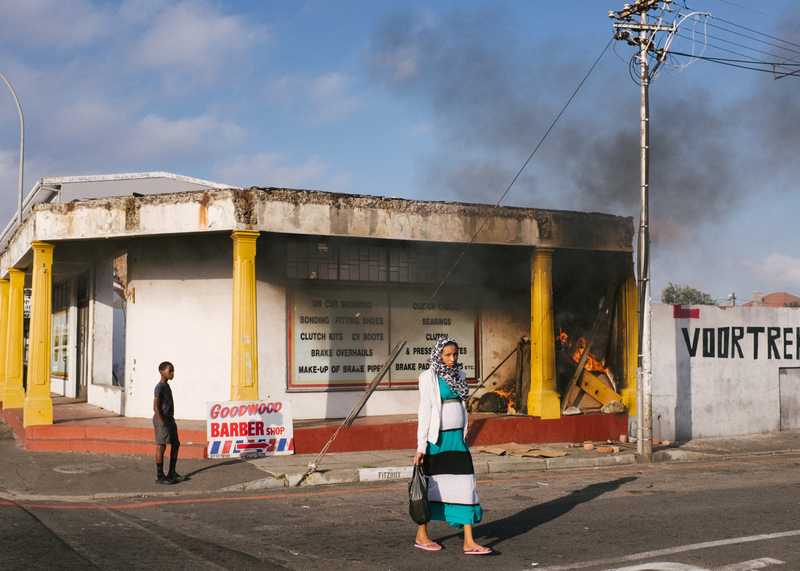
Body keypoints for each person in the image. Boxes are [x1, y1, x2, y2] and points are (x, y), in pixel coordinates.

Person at [413, 336, 491, 555]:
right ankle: (422, 534)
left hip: (458, 440)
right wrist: (421, 446)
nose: (452, 358)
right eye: (447, 354)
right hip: (436, 441)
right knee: (431, 486)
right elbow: (425, 411)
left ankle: (469, 541)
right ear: (438, 355)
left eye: (455, 354)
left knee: (466, 485)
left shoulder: (460, 375)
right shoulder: (428, 377)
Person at [153, 361, 183, 484]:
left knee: (175, 444)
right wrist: (162, 422)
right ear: (162, 372)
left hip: (170, 418)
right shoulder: (159, 387)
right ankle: (160, 476)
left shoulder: (167, 386)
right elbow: (156, 407)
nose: (172, 373)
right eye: (170, 371)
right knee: (161, 446)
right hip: (162, 419)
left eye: (173, 371)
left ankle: (172, 472)